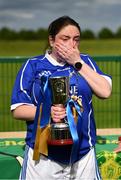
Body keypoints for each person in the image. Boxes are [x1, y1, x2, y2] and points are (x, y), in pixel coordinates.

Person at [11, 15, 112, 180]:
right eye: (65, 39)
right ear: (51, 40)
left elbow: (105, 91)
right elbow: (18, 109)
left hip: (83, 154)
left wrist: (76, 62)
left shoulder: (85, 62)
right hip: (43, 157)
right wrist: (47, 113)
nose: (72, 44)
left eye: (76, 39)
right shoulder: (33, 65)